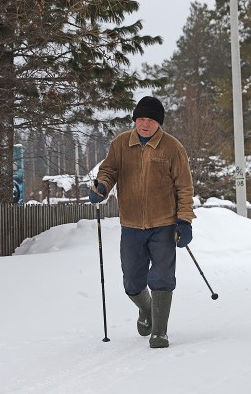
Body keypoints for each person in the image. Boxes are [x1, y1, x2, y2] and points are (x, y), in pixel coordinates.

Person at [89, 96, 196, 348]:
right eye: (140, 119)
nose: (144, 124)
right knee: (132, 281)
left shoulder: (172, 148)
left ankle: (160, 331)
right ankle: (146, 309)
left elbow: (184, 187)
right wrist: (102, 187)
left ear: (158, 122)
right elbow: (109, 171)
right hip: (132, 225)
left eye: (149, 120)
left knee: (162, 277)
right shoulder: (121, 144)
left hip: (164, 223)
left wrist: (185, 221)